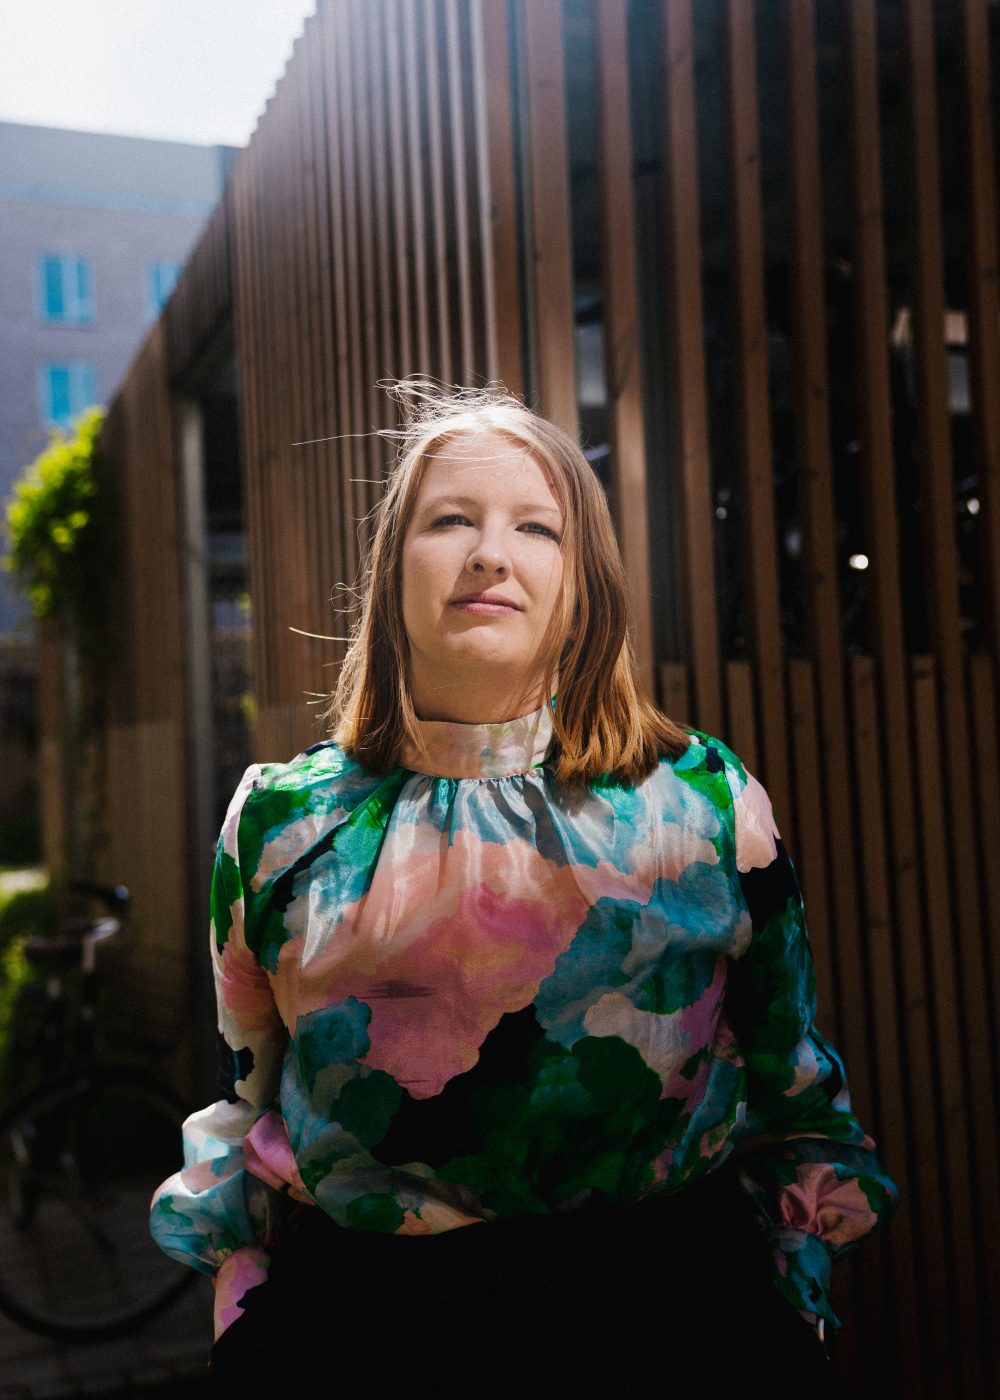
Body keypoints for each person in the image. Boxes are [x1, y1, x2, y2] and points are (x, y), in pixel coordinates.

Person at [151, 384, 896, 1397]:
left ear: (584, 585)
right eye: (451, 519)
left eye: (535, 527)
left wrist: (790, 1301)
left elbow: (792, 1085)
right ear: (390, 573)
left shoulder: (707, 803)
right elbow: (249, 1095)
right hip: (363, 1328)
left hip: (670, 1315)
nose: (489, 554)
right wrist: (241, 1310)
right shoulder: (278, 821)